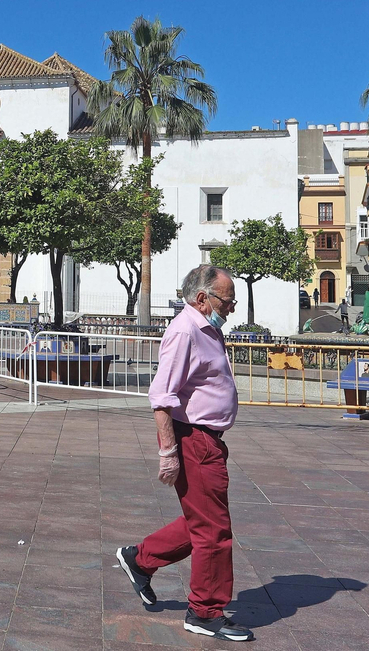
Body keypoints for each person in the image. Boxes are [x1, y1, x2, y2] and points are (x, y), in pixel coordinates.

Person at [116, 264, 251, 642]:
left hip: (207, 439)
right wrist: (168, 452)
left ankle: (140, 560)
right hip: (194, 439)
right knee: (213, 530)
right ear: (203, 298)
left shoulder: (205, 328)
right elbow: (162, 397)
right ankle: (205, 611)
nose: (232, 308)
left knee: (204, 521)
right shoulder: (185, 330)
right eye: (227, 300)